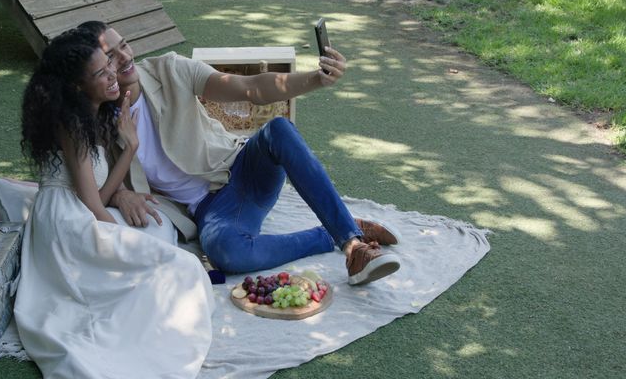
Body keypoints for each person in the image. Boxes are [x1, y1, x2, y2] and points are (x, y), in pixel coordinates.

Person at [78, 20, 402, 286]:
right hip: (211, 210)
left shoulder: (168, 70)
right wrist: (121, 195)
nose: (124, 57)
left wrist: (316, 79)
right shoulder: (96, 121)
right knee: (226, 252)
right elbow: (99, 183)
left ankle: (353, 244)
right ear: (95, 69)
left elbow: (252, 88)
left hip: (242, 167)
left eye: (124, 44)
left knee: (279, 129)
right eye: (110, 55)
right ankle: (340, 228)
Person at [13, 27, 213, 379]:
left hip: (80, 215)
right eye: (102, 73)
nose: (113, 76)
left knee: (164, 245)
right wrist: (126, 244)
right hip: (67, 228)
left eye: (110, 67)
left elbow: (102, 195)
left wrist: (130, 145)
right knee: (177, 265)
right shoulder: (72, 125)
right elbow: (94, 206)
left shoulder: (91, 115)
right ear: (76, 86)